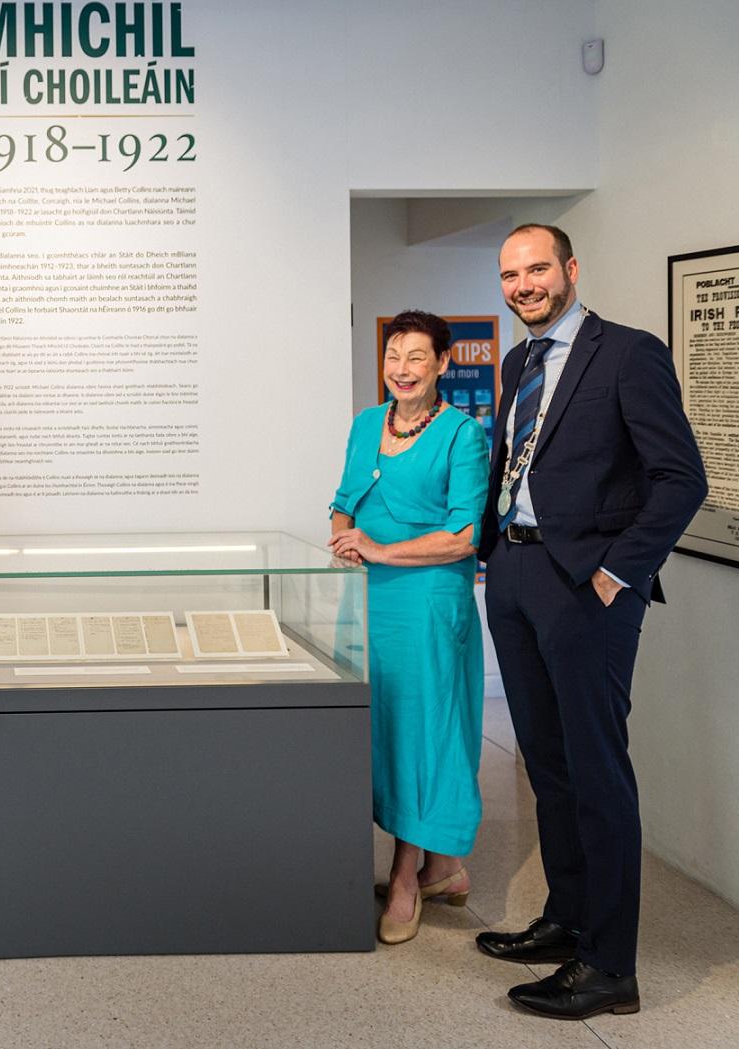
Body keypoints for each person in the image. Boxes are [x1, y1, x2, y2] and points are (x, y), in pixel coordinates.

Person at [476, 225, 707, 1020]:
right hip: (514, 572)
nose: (523, 284)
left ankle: (610, 966)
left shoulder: (628, 353)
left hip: (586, 586)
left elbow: (681, 478)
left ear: (571, 269)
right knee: (547, 763)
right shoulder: (517, 362)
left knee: (598, 771)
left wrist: (618, 572)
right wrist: (492, 557)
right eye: (510, 273)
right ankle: (567, 919)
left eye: (537, 268)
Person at [328, 310, 491, 946]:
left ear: (442, 364)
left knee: (424, 734)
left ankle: (405, 877)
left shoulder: (461, 435)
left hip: (426, 603)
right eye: (394, 355)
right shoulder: (366, 423)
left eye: (417, 357)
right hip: (368, 603)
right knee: (381, 727)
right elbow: (343, 499)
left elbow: (464, 536)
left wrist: (378, 550)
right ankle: (444, 868)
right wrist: (343, 535)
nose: (402, 368)